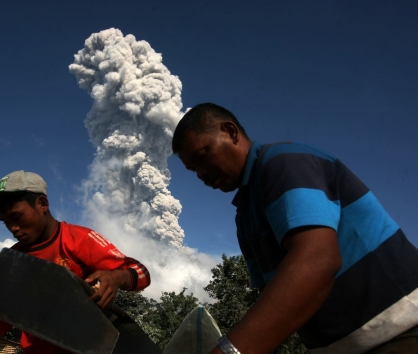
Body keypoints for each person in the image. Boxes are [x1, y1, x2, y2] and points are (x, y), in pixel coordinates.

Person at [172, 103, 418, 354]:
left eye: (203, 157)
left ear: (230, 132)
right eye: (193, 170)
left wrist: (229, 351)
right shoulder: (245, 216)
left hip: (402, 333)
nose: (201, 174)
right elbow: (271, 297)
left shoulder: (283, 163)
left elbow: (317, 260)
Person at [0, 170, 151, 354]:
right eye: (5, 222)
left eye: (17, 217)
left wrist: (117, 277)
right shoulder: (12, 261)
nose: (13, 228)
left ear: (42, 204)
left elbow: (142, 273)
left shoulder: (79, 240)